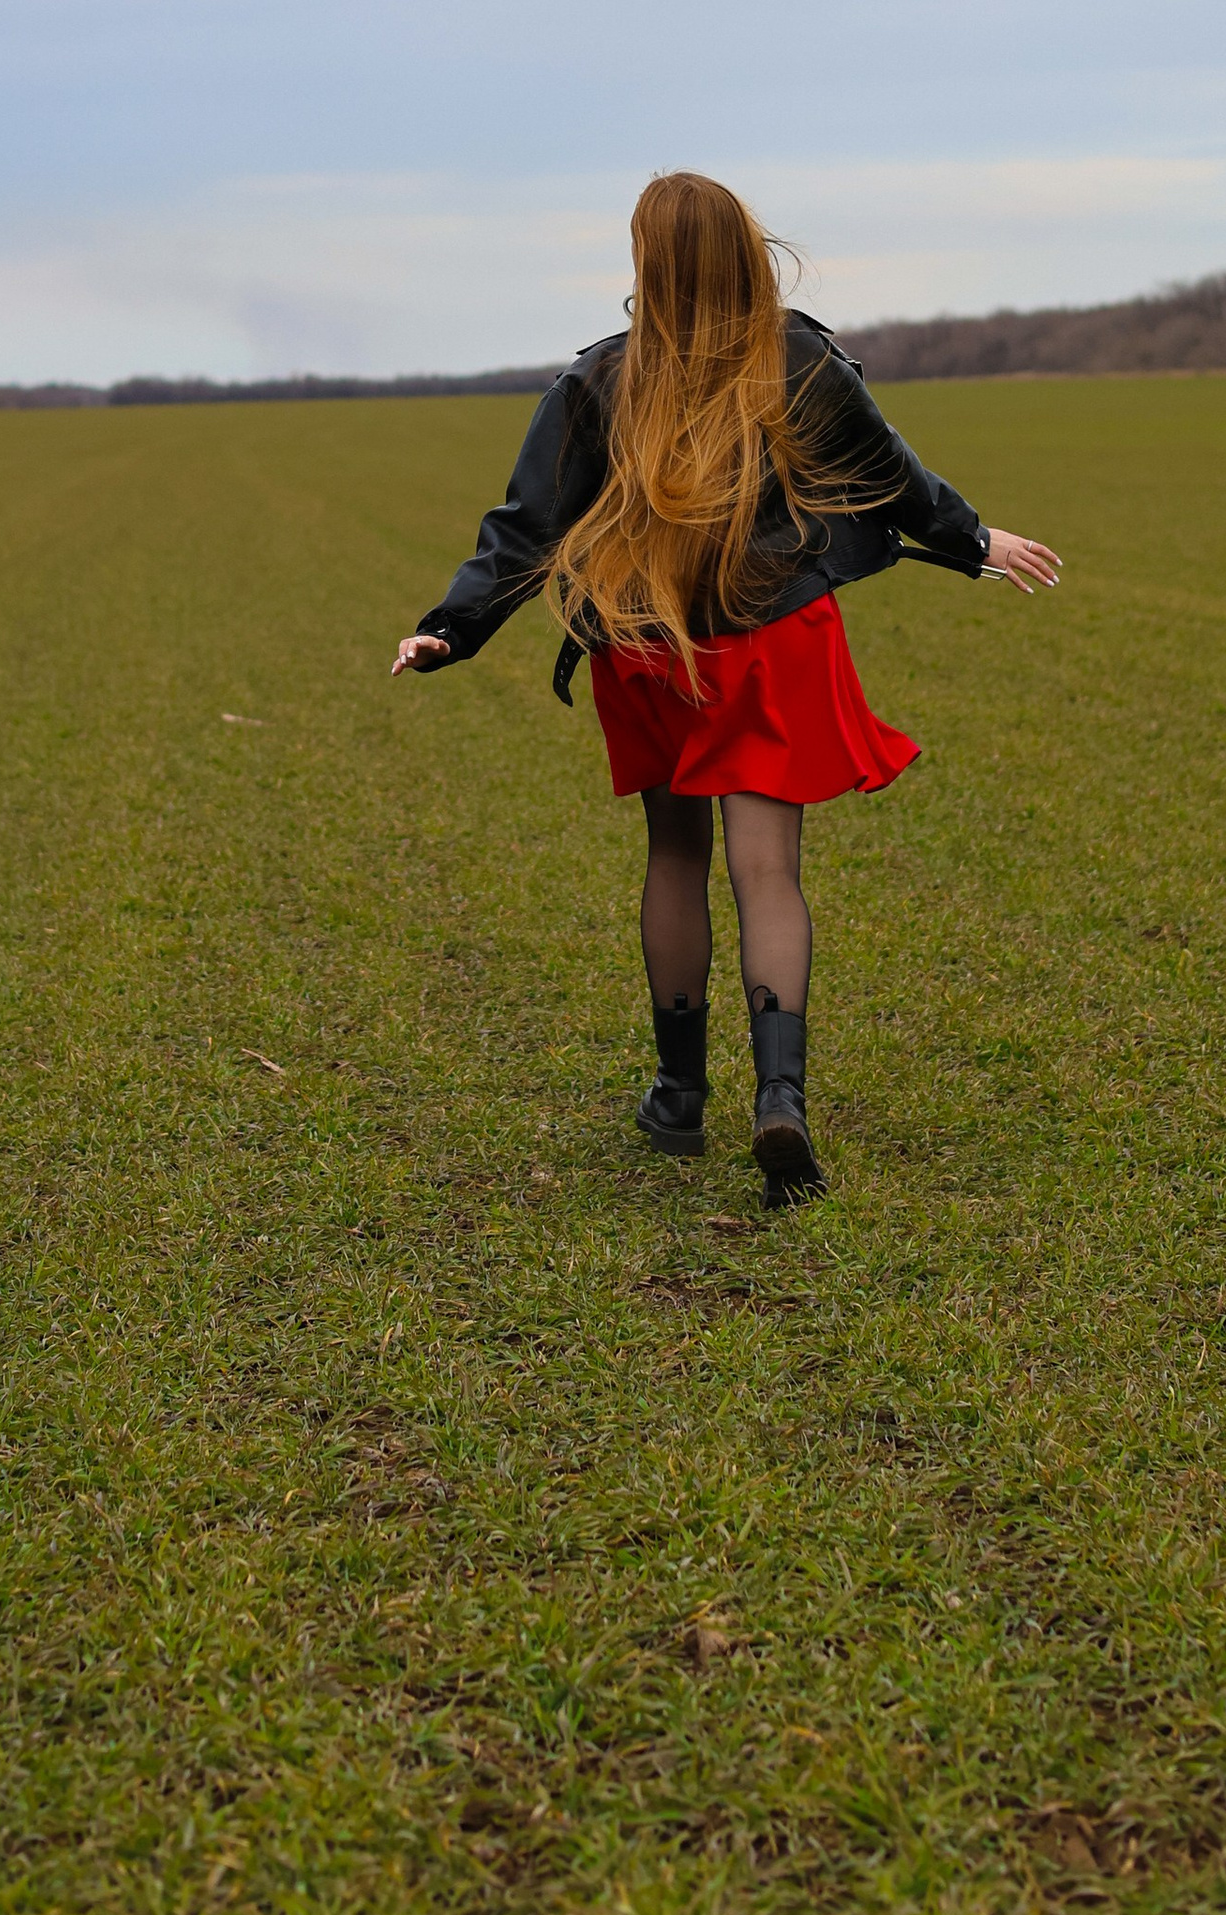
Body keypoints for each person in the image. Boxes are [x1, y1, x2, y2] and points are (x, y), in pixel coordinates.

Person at [389, 172, 1061, 1202]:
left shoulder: (598, 379)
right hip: (773, 641)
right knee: (767, 870)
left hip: (649, 645)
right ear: (745, 251)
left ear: (648, 262)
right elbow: (891, 474)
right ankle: (780, 1100)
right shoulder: (798, 358)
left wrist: (450, 628)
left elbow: (524, 528)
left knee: (674, 853)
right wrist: (973, 539)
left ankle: (677, 1097)